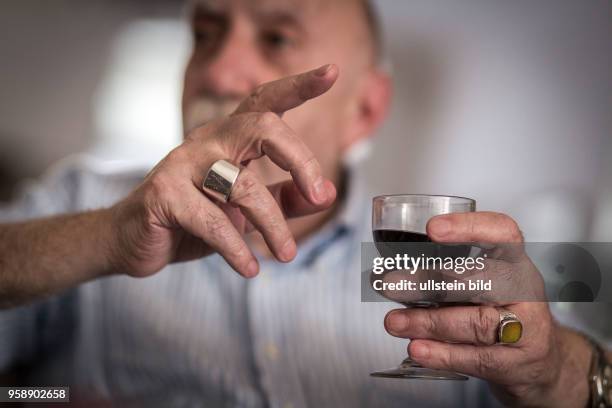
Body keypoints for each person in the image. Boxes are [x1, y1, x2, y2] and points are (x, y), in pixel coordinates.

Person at [0, 0, 607, 406]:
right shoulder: (82, 201)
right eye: (205, 36)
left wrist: (553, 371)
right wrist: (41, 395)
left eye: (277, 37)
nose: (219, 71)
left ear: (366, 111)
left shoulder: (463, 265)